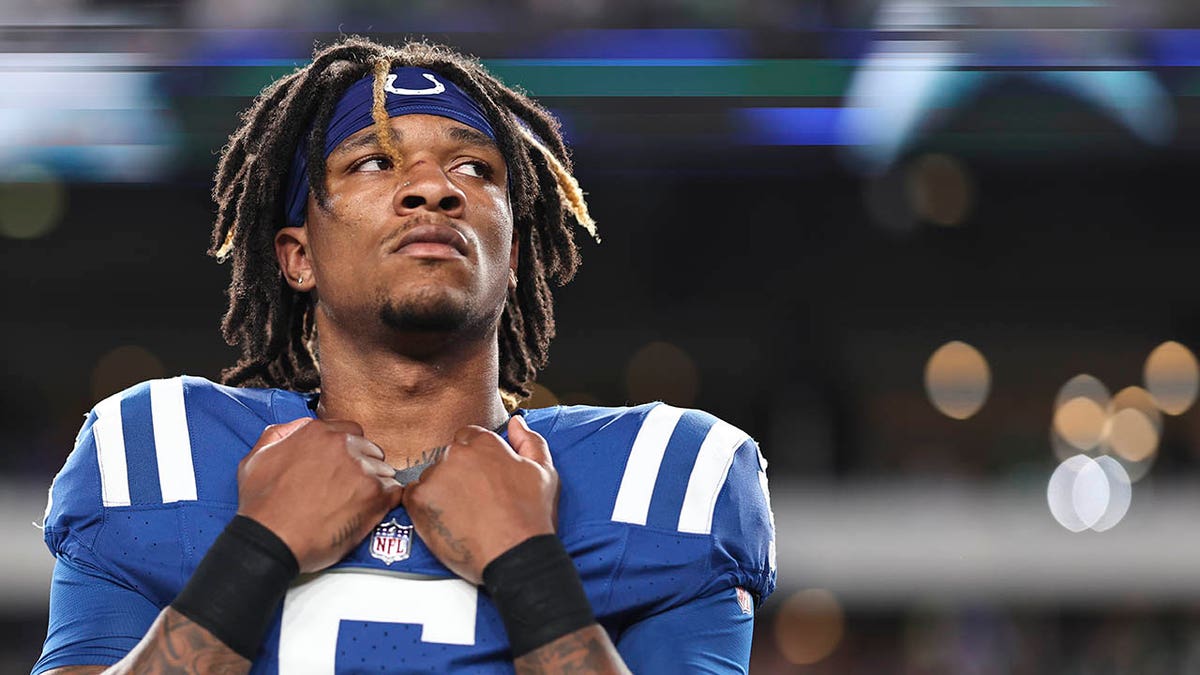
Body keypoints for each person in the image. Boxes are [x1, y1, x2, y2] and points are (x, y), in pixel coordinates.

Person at [33, 36, 776, 674]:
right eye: (372, 164)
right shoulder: (155, 449)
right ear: (297, 256)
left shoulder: (667, 474)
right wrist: (256, 550)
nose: (432, 188)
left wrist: (528, 567)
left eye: (475, 170)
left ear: (513, 255)